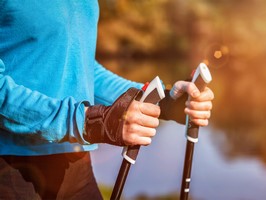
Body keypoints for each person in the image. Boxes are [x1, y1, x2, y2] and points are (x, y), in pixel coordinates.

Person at [0, 1, 214, 200]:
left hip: (76, 164)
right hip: (11, 167)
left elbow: (83, 69)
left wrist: (162, 102)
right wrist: (90, 122)